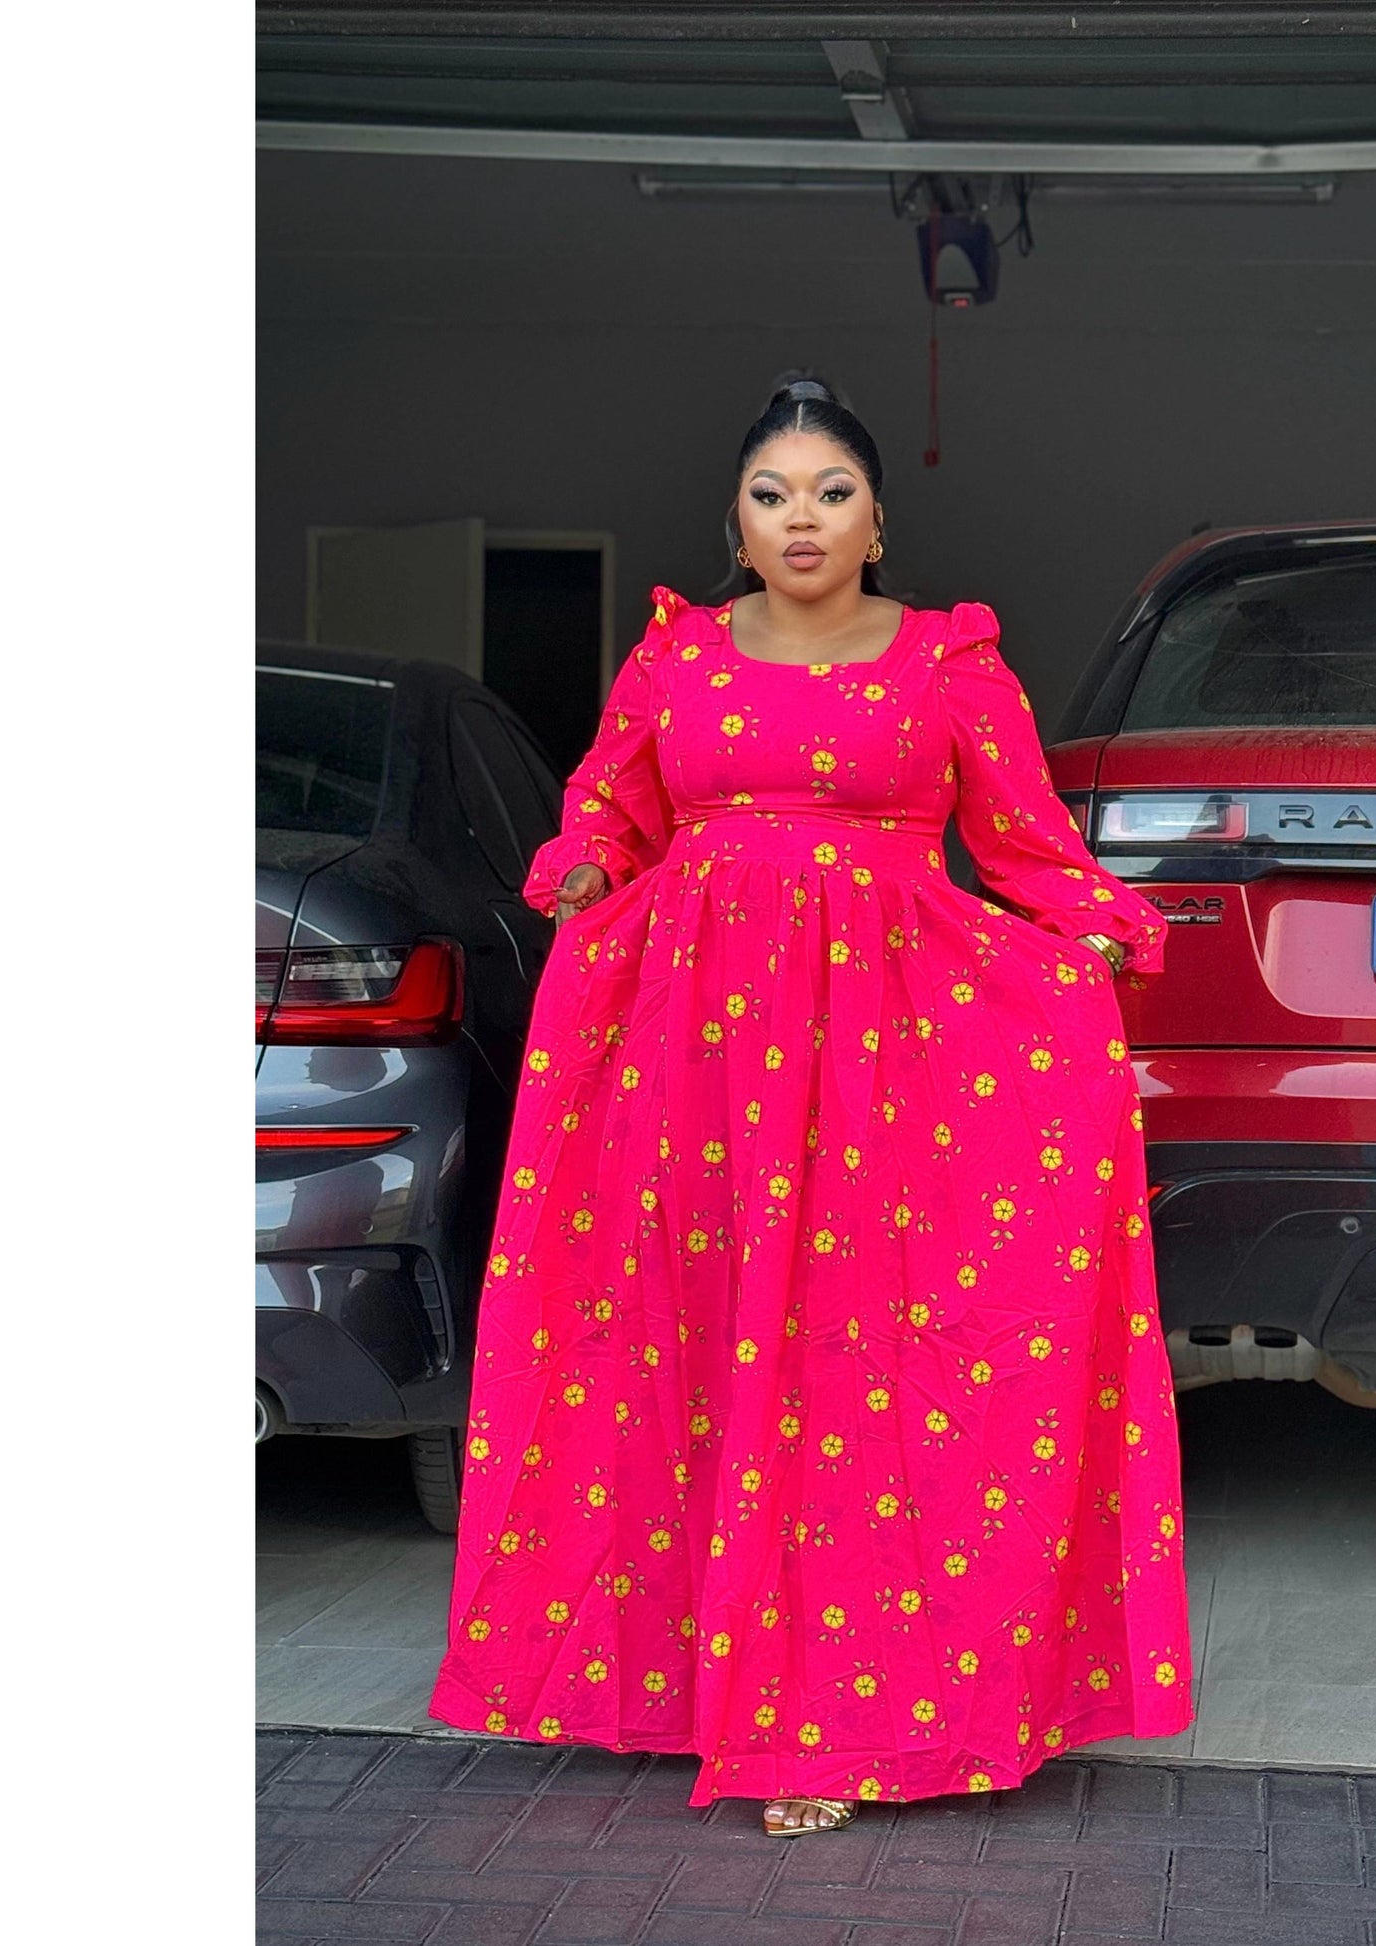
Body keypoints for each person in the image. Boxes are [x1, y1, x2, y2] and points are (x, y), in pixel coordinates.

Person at [428, 374, 1192, 1835]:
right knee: (690, 1353)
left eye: (831, 493)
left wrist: (1098, 934)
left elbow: (1024, 844)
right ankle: (705, 1694)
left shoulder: (950, 663)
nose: (801, 518)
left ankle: (830, 1727)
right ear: (735, 517)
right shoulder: (674, 657)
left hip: (887, 1062)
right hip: (694, 1059)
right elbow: (609, 809)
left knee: (853, 1372)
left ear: (876, 520)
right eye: (772, 493)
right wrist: (581, 869)